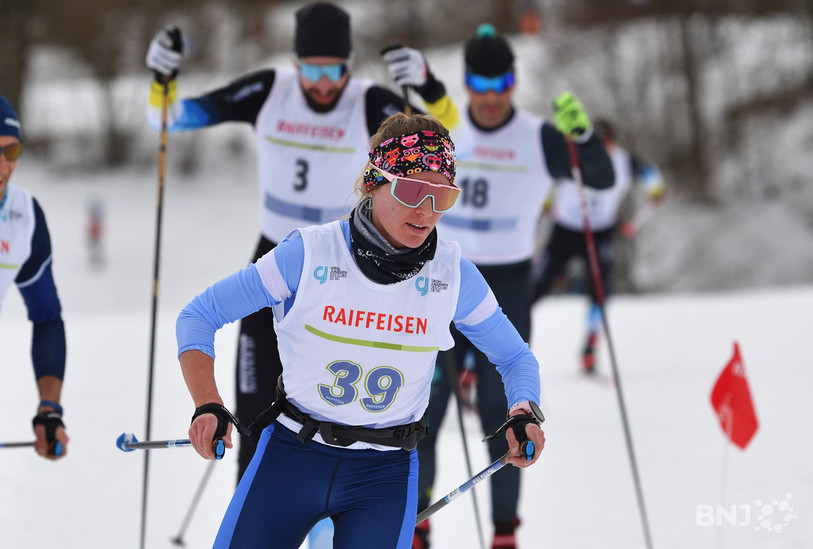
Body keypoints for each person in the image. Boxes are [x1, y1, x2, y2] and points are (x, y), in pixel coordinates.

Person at [175, 113, 545, 549]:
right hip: (291, 457)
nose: (426, 211)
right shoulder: (309, 255)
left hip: (384, 475)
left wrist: (524, 410)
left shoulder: (453, 276)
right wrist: (207, 403)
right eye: (412, 191)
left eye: (442, 196)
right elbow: (200, 315)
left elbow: (515, 357)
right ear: (374, 182)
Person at [145, 1, 459, 480]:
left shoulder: (369, 101)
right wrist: (161, 81)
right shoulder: (268, 90)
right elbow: (170, 118)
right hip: (277, 254)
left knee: (333, 409)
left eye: (334, 69)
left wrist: (430, 86)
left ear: (349, 62)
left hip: (346, 261)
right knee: (253, 405)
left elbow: (447, 140)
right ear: (295, 62)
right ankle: (253, 500)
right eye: (311, 69)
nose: (323, 82)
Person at [383, 25, 613, 549]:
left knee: (502, 413)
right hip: (441, 280)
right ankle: (417, 525)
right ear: (466, 83)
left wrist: (582, 138)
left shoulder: (538, 135)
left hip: (506, 287)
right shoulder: (445, 131)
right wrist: (423, 83)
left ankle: (504, 531)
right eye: (480, 84)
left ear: (514, 81)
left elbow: (599, 178)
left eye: (502, 83)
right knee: (421, 412)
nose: (491, 96)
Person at [531, 118, 666, 372]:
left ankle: (591, 345)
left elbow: (651, 177)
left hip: (600, 231)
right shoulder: (570, 156)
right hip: (565, 229)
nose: (603, 149)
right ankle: (504, 340)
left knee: (600, 288)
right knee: (539, 284)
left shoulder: (625, 161)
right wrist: (546, 203)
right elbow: (543, 176)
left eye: (607, 143)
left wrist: (656, 191)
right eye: (597, 143)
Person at [0, 94, 69, 460]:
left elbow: (47, 318)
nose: (3, 166)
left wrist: (49, 409)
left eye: (11, 152)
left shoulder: (24, 217)